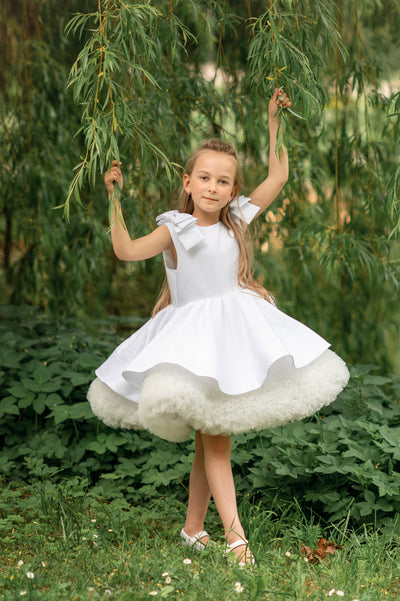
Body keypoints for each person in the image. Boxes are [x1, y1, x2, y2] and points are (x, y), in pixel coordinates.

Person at [87, 88, 349, 566]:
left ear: (232, 189)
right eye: (204, 178)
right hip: (194, 346)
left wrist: (273, 121)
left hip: (233, 338)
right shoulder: (175, 230)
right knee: (216, 440)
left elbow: (279, 175)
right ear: (187, 182)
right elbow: (125, 250)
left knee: (212, 437)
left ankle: (193, 529)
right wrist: (114, 198)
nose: (213, 187)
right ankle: (236, 539)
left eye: (223, 181)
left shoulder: (236, 220)